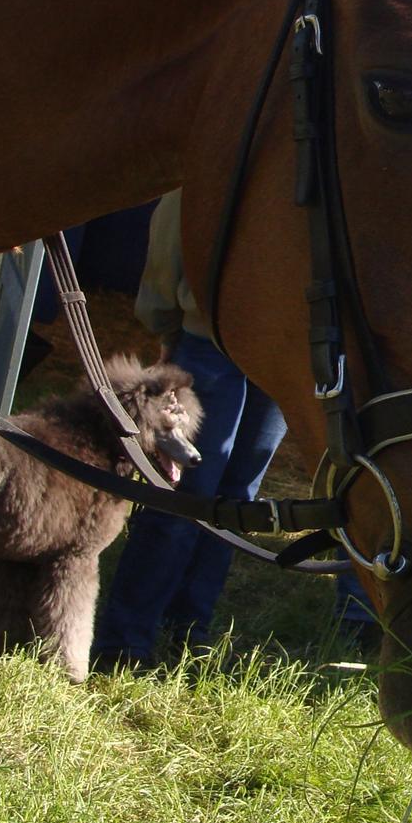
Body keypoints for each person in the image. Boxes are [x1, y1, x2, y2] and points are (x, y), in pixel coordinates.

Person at [92, 191, 287, 667]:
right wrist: (166, 329)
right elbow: (174, 222)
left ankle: (188, 634)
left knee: (237, 499)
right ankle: (126, 642)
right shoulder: (238, 146)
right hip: (211, 345)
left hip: (281, 353)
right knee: (183, 498)